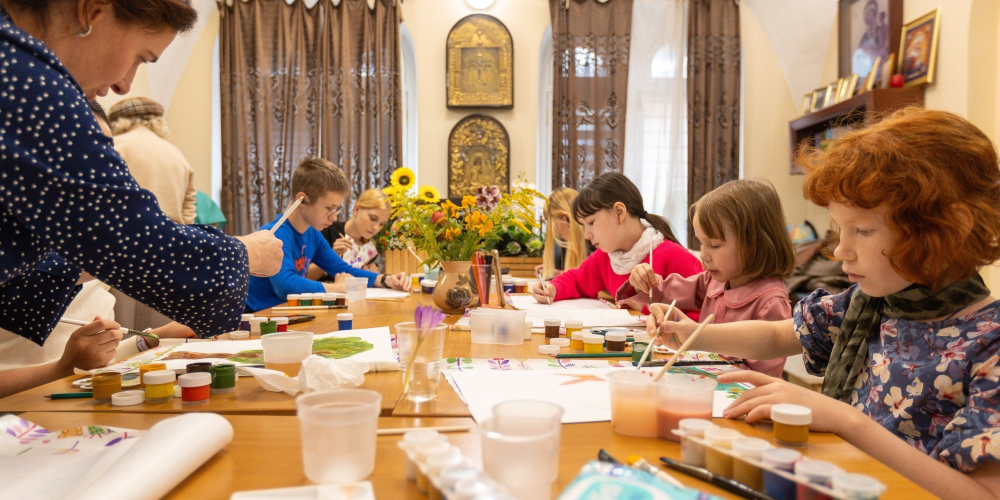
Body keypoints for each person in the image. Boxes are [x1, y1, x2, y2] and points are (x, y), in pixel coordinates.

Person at [649, 108, 1000, 498]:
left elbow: (982, 495)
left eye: (862, 230)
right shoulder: (870, 303)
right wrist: (693, 335)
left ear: (952, 228)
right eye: (838, 230)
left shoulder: (989, 342)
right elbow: (778, 336)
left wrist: (846, 421)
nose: (840, 251)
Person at [0, 0, 284, 346]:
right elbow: (136, 237)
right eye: (140, 57)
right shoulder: (28, 82)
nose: (124, 85)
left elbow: (17, 284)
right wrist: (245, 253)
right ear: (91, 11)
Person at [619, 179, 795, 377]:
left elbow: (761, 378)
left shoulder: (771, 302)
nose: (703, 255)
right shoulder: (715, 281)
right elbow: (666, 290)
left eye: (714, 245)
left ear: (753, 244)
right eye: (701, 243)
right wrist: (643, 281)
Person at [247, 158, 411, 311]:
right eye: (329, 209)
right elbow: (286, 286)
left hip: (286, 315)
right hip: (258, 318)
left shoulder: (312, 234)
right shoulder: (275, 234)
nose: (334, 217)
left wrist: (385, 279)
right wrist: (337, 288)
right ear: (302, 200)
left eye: (336, 209)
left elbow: (342, 268)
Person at [531, 172, 702, 314]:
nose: (587, 235)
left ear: (619, 212)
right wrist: (553, 288)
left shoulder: (673, 256)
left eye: (591, 223)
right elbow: (577, 279)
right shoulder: (605, 257)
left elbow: (708, 312)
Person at [109, 97, 197, 224]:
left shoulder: (114, 146)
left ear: (115, 123)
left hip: (127, 230)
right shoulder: (176, 153)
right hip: (171, 233)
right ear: (159, 122)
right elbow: (188, 207)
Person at [315, 188, 392, 275]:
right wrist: (331, 258)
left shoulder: (370, 251)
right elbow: (303, 274)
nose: (376, 227)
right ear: (357, 210)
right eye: (373, 218)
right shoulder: (325, 230)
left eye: (382, 224)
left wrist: (371, 275)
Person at [535, 188, 589, 280]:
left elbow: (592, 280)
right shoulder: (563, 247)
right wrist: (554, 273)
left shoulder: (598, 245)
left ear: (566, 218)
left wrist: (558, 274)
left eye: (555, 226)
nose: (557, 233)